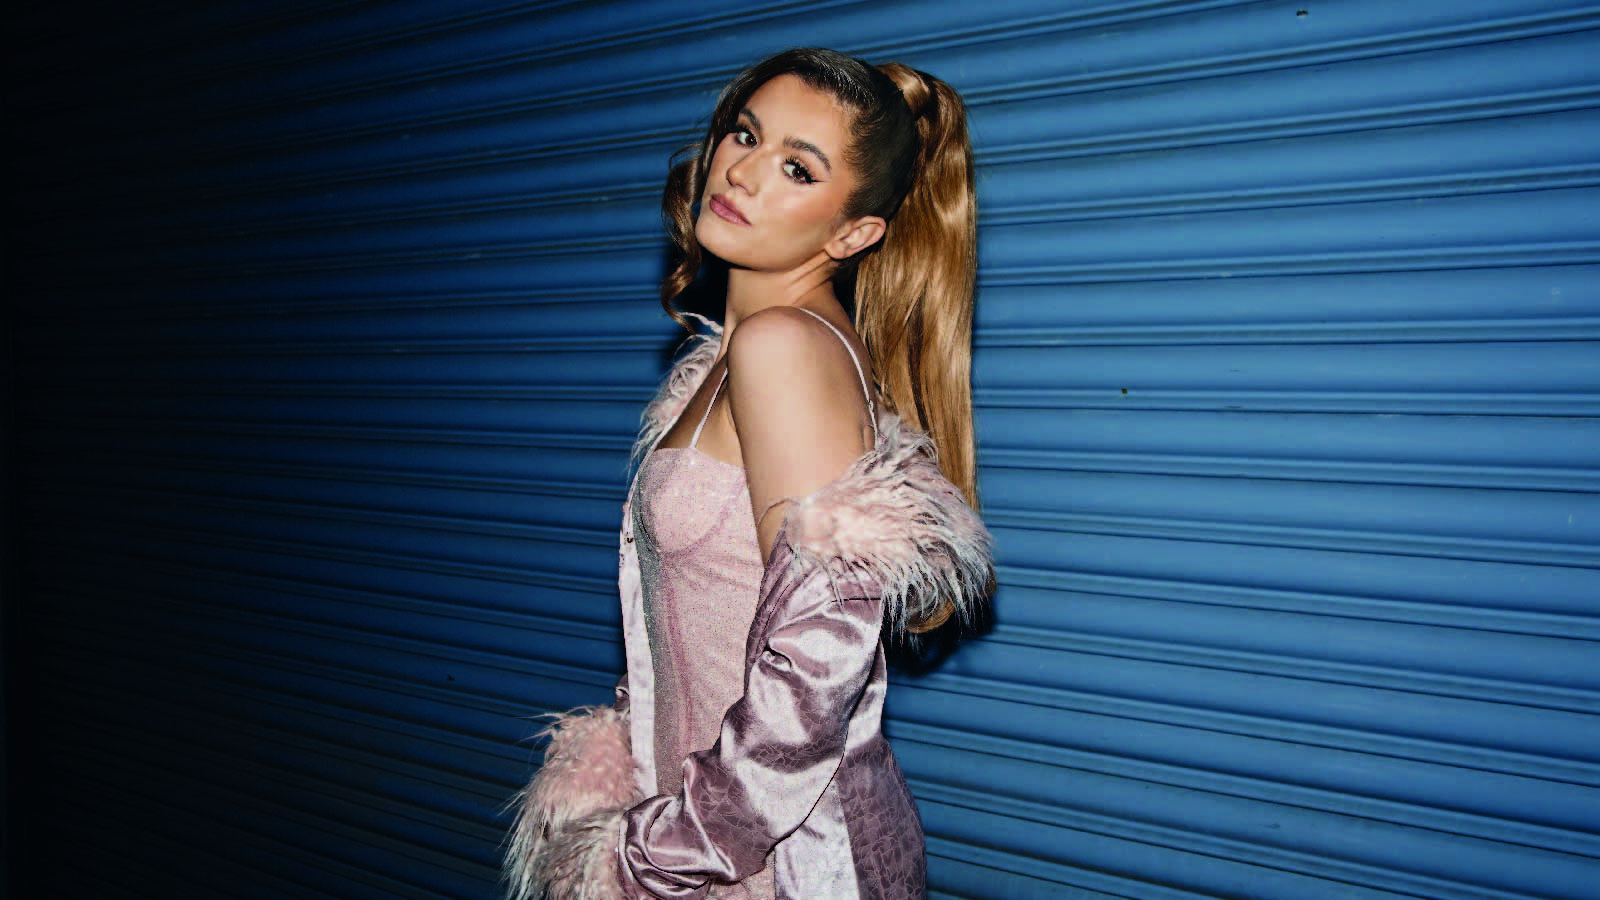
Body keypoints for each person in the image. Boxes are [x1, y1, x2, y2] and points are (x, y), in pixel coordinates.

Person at [505, 48, 994, 900]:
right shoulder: (726, 359)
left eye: (798, 168)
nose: (742, 171)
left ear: (852, 234)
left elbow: (815, 676)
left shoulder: (783, 347)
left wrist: (645, 859)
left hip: (775, 867)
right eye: (745, 133)